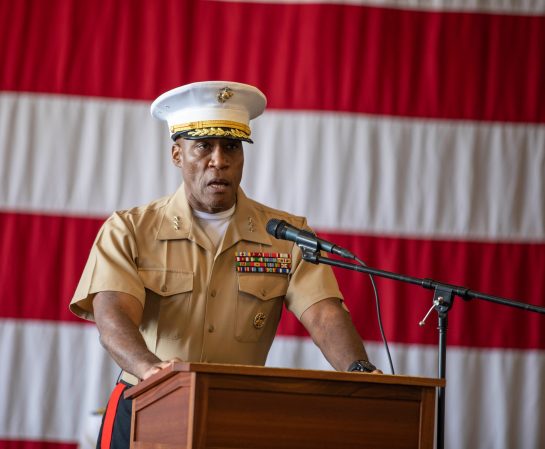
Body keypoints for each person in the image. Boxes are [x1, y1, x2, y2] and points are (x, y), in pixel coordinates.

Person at [70, 81, 379, 449]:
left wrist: (360, 372)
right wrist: (152, 370)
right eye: (203, 146)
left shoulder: (286, 234)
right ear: (177, 155)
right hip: (147, 404)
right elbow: (113, 316)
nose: (219, 159)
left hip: (235, 414)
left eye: (231, 146)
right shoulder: (131, 229)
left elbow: (324, 314)